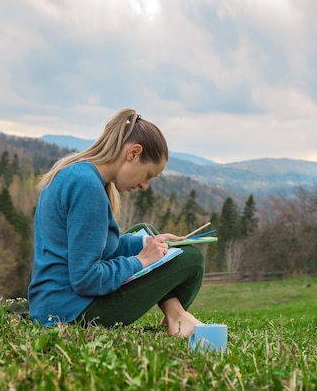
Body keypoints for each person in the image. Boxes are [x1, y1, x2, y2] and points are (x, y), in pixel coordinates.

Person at [27, 108, 204, 337]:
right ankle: (178, 318)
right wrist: (140, 261)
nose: (144, 186)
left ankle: (176, 316)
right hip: (71, 312)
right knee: (191, 258)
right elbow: (86, 279)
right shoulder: (87, 187)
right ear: (133, 153)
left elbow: (96, 249)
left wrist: (147, 245)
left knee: (146, 234)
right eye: (148, 174)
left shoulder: (73, 169)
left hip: (52, 304)